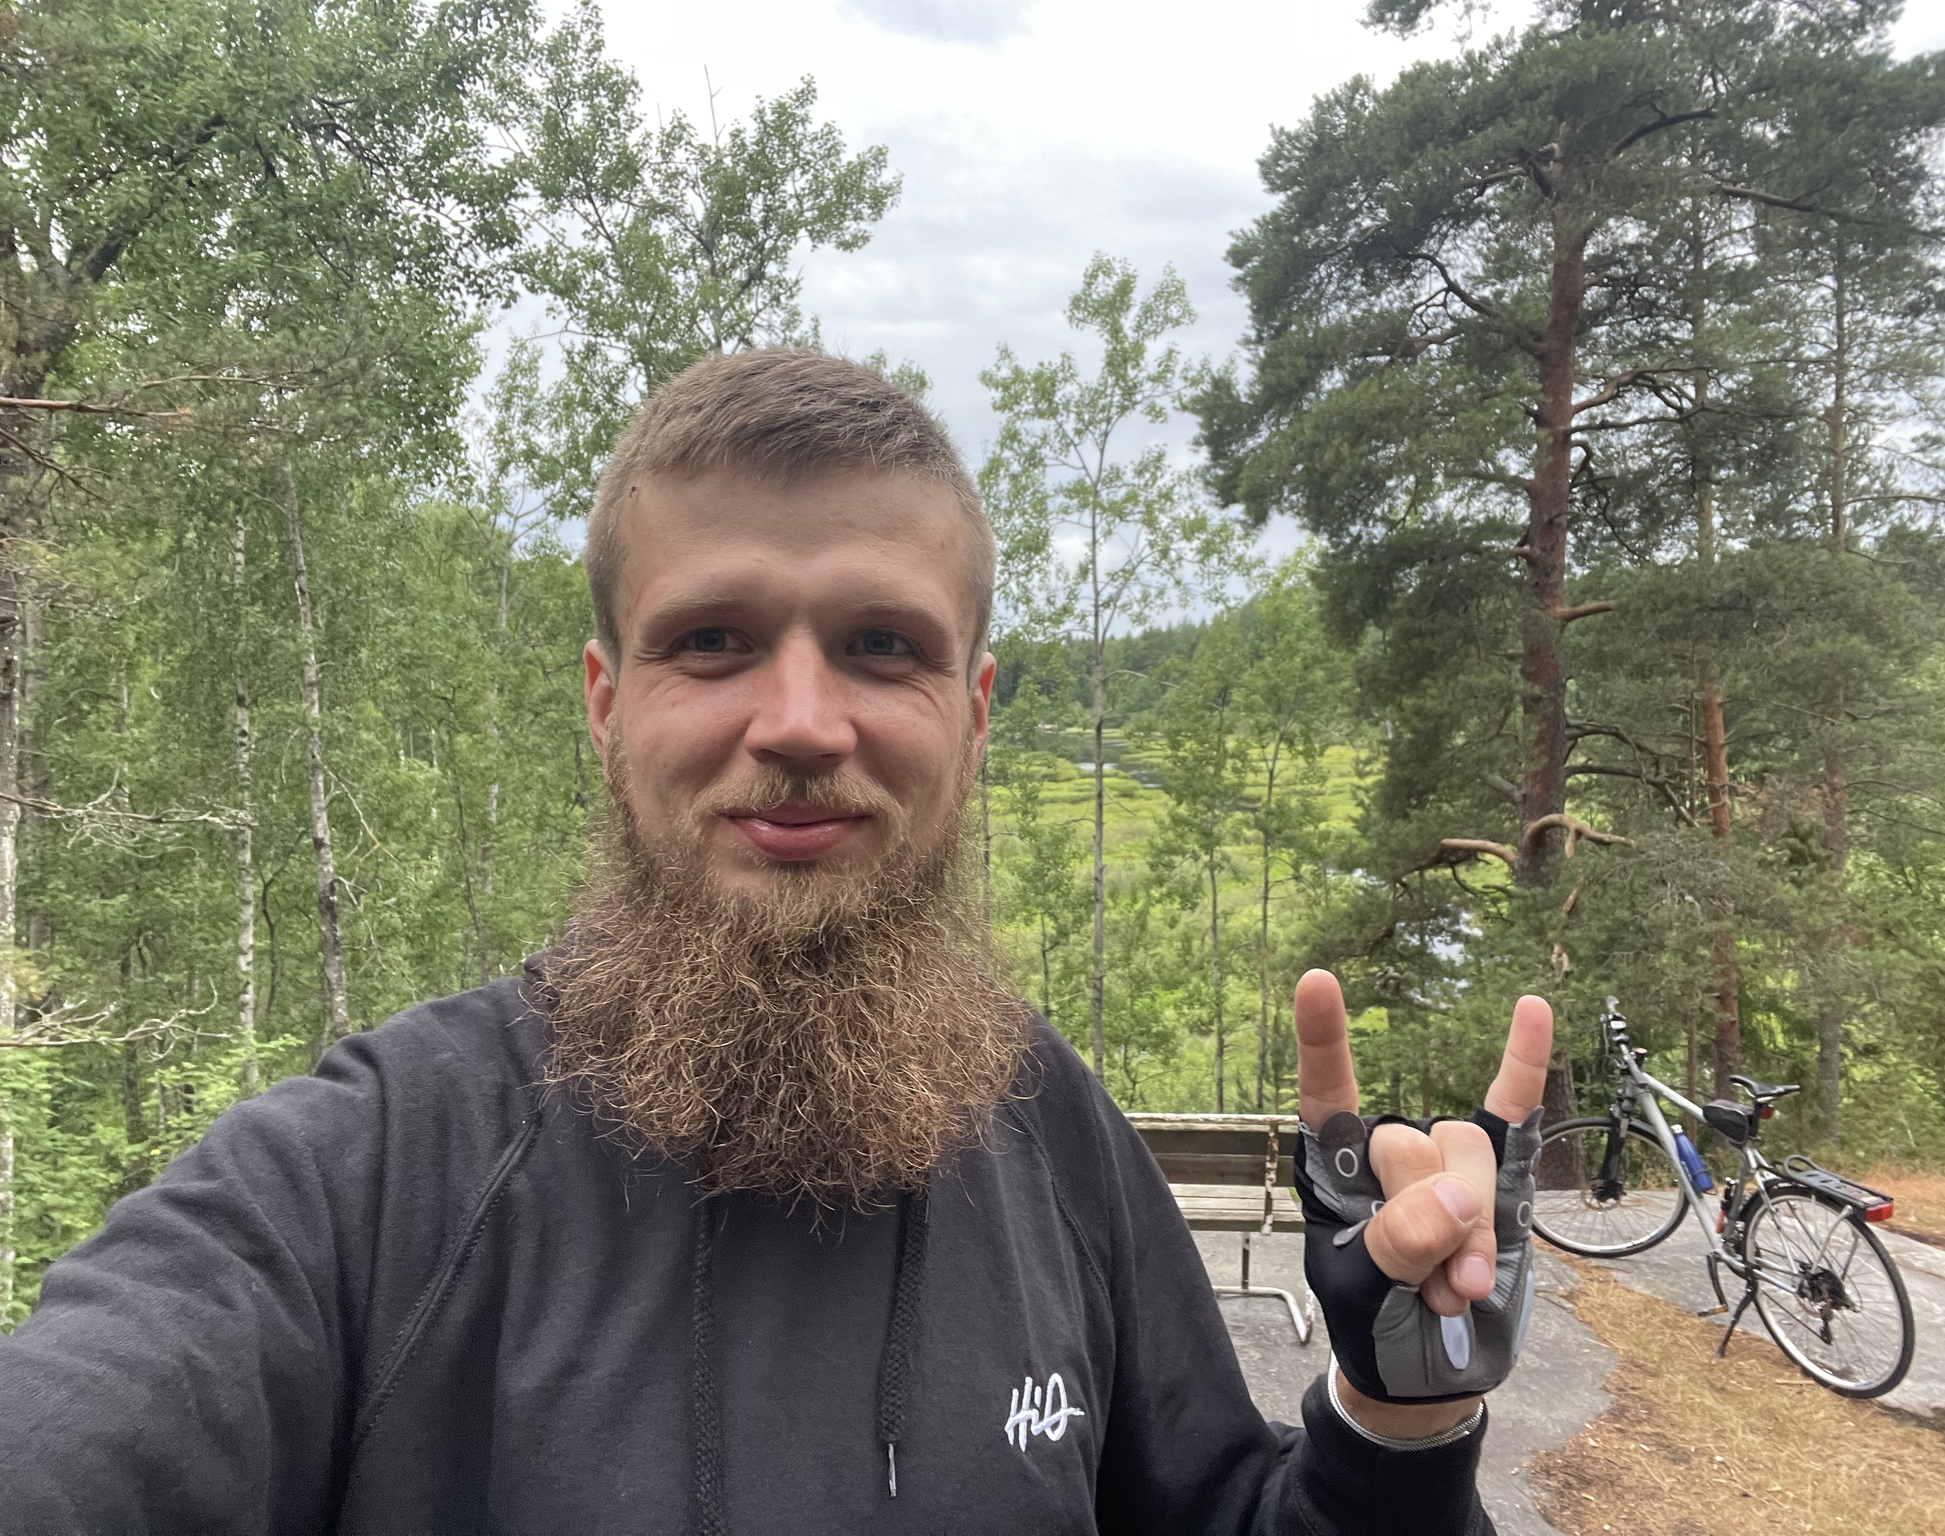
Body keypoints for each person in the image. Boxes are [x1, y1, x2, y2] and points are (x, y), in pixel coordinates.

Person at [0, 351, 1552, 1534]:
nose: (801, 723)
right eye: (712, 642)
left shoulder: (1051, 1129)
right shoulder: (378, 1171)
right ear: (607, 708)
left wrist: (1390, 1426)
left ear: (974, 713)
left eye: (881, 646)